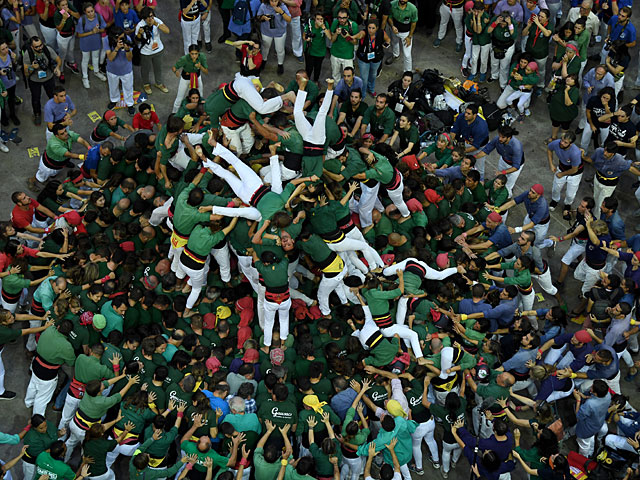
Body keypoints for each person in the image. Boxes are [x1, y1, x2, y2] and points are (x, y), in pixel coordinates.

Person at [22, 35, 62, 126]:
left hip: (49, 77)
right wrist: (32, 67)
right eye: (37, 46)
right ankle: (37, 114)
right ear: (32, 47)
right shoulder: (28, 55)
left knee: (53, 96)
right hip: (34, 80)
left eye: (41, 45)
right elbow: (26, 73)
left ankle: (55, 112)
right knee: (36, 98)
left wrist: (57, 68)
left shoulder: (47, 49)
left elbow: (58, 59)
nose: (40, 48)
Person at [135, 6, 169, 95]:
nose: (150, 19)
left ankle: (159, 83)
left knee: (158, 68)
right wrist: (139, 33)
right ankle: (146, 84)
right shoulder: (140, 25)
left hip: (158, 49)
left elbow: (167, 31)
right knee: (145, 69)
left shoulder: (156, 20)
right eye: (148, 17)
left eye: (151, 16)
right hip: (146, 52)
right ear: (144, 18)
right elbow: (137, 40)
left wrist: (156, 24)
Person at [104, 26, 135, 115]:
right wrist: (117, 48)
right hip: (112, 70)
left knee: (128, 88)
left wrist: (127, 49)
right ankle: (114, 100)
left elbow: (129, 58)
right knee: (113, 87)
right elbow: (110, 58)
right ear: (114, 37)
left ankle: (130, 104)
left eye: (123, 36)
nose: (122, 39)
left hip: (126, 70)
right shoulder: (107, 40)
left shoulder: (127, 39)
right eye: (120, 38)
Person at [76, 2, 107, 89]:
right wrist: (91, 32)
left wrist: (98, 30)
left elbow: (103, 28)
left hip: (96, 42)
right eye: (88, 12)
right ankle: (85, 77)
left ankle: (96, 71)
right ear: (85, 12)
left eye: (92, 11)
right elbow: (79, 34)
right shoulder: (82, 20)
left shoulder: (99, 17)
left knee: (95, 57)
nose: (91, 13)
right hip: (85, 43)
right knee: (85, 60)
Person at [257, 0, 291, 75]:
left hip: (279, 32)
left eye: (275, 1)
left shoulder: (282, 6)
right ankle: (263, 60)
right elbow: (258, 17)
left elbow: (289, 19)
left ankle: (280, 64)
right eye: (272, 1)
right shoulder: (263, 6)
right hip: (266, 31)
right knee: (265, 47)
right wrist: (263, 17)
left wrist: (281, 12)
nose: (273, 3)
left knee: (280, 49)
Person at [385, 0, 417, 71]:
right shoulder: (392, 4)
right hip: (394, 30)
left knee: (407, 54)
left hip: (406, 33)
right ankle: (395, 55)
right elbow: (389, 17)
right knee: (394, 43)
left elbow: (414, 23)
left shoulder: (413, 9)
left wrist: (409, 37)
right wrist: (392, 26)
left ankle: (408, 72)